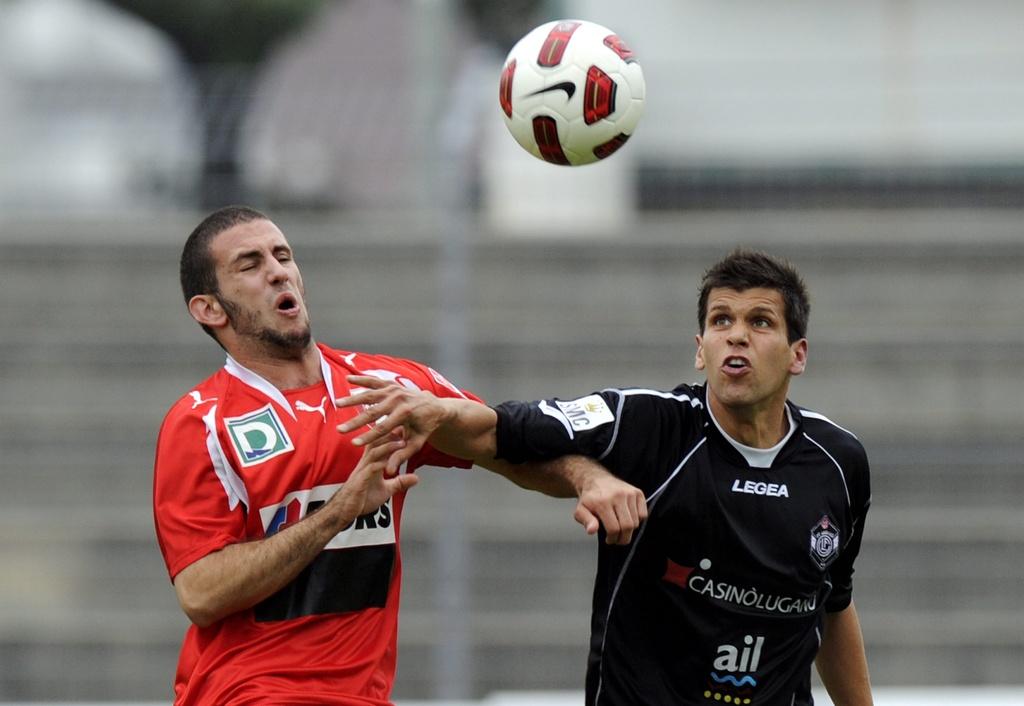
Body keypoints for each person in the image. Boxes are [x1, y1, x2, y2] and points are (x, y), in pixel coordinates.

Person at [152, 205, 647, 706]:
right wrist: (339, 512)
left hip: (364, 695)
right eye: (250, 264)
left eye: (282, 255)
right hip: (246, 693)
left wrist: (587, 477)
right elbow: (202, 593)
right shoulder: (202, 422)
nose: (278, 270)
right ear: (210, 309)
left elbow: (504, 445)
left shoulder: (387, 389)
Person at [337, 248, 874, 706]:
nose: (736, 337)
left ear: (797, 354)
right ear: (699, 348)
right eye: (720, 321)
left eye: (760, 322)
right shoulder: (646, 423)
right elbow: (504, 430)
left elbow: (832, 605)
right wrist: (438, 411)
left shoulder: (838, 463)